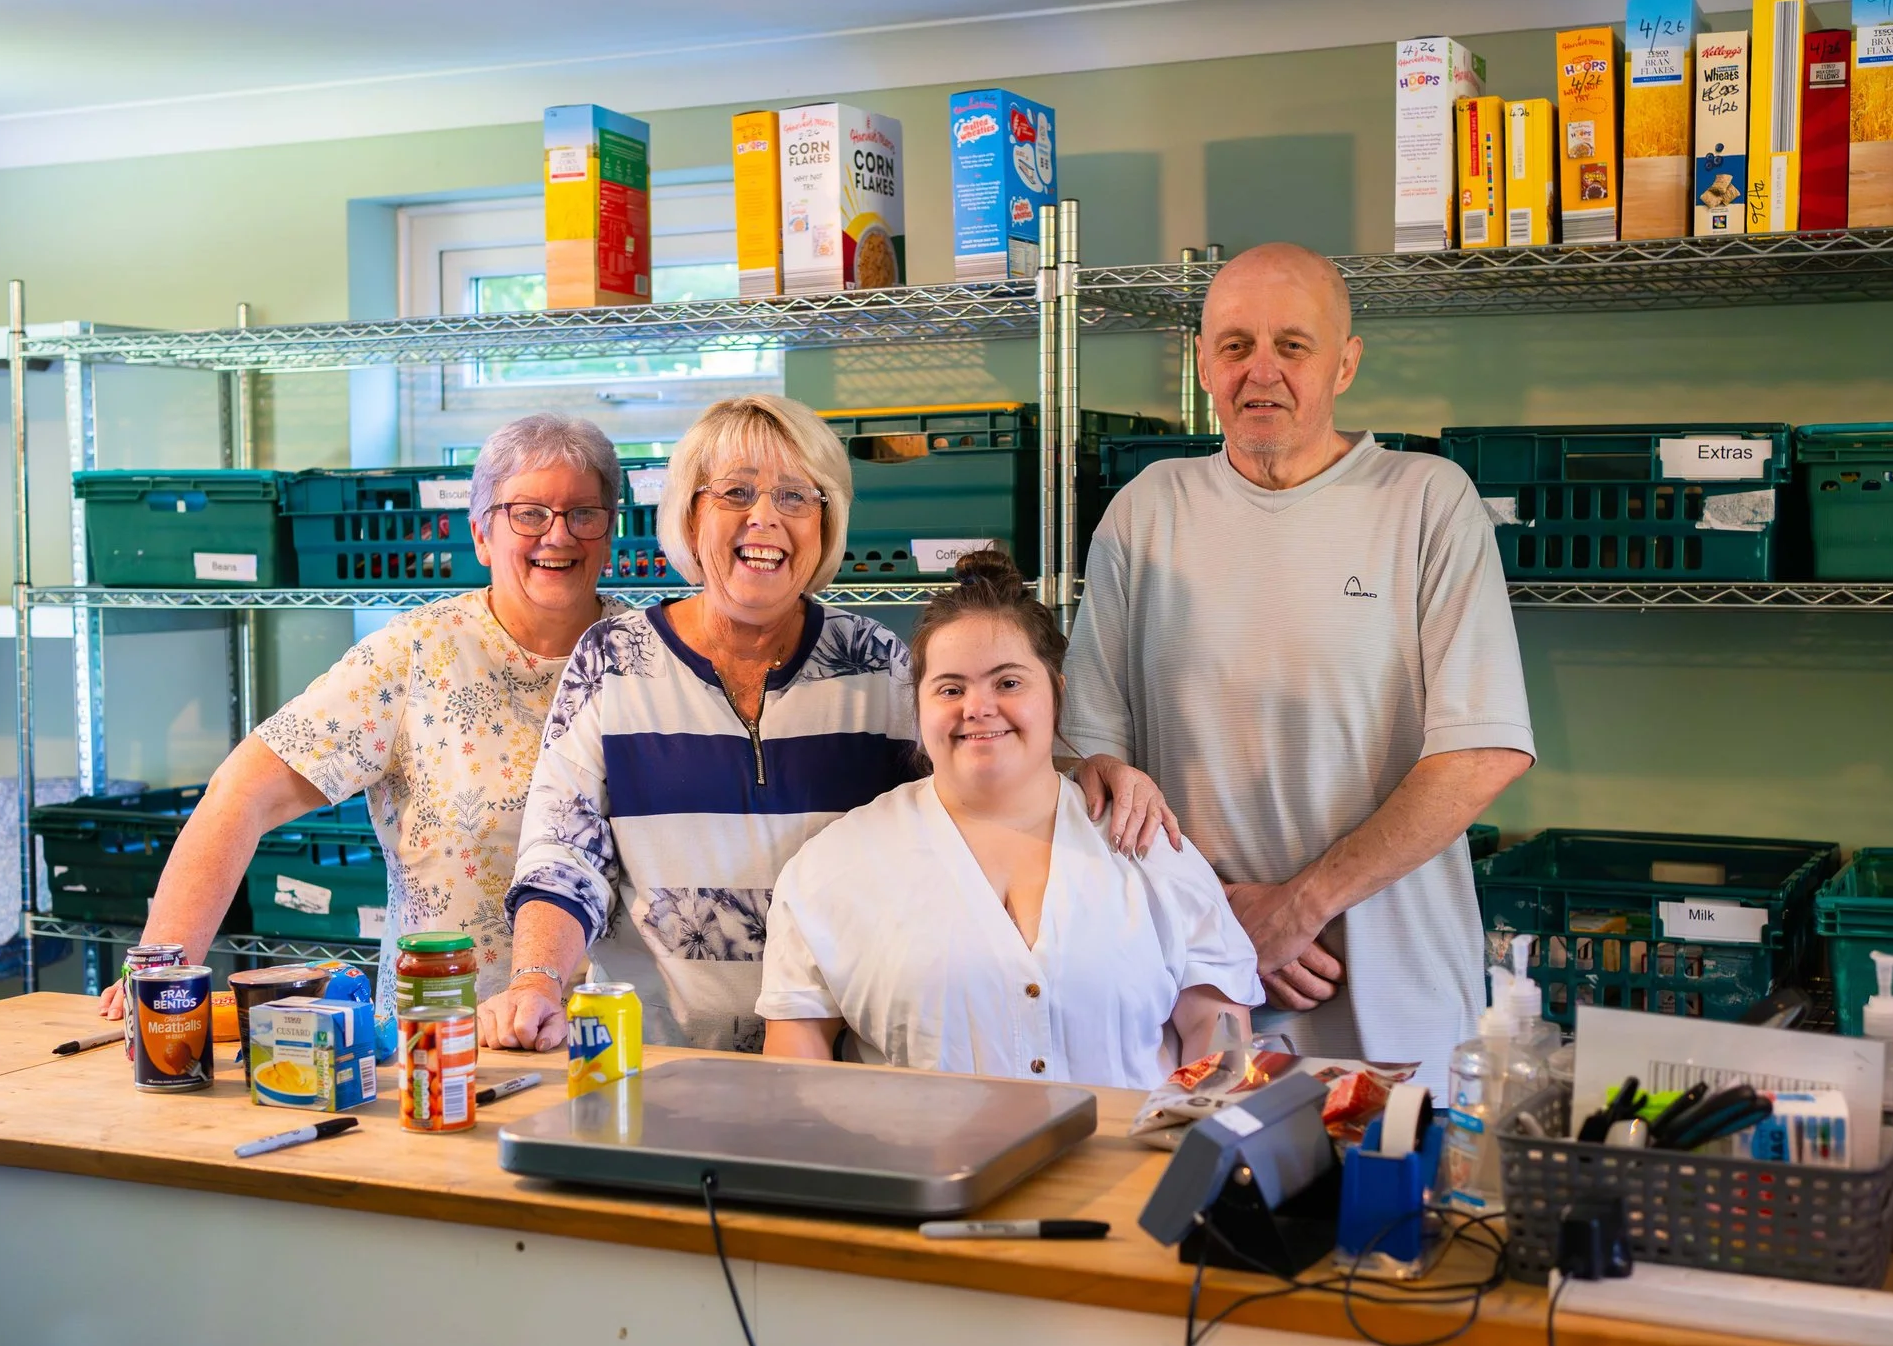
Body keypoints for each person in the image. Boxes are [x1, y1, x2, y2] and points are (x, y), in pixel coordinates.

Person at [480, 393, 1179, 1054]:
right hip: (656, 1055)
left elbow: (982, 782)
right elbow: (564, 858)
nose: (765, 517)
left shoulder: (874, 665)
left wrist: (1086, 774)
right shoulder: (613, 662)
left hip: (838, 1053)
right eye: (736, 491)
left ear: (827, 525)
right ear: (691, 519)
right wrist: (537, 979)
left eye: (796, 496)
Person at [1063, 243, 1536, 1086]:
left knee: (1394, 1212)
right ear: (1203, 361)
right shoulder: (1145, 516)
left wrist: (1298, 906)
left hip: (1401, 1002)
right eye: (1235, 345)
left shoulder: (1428, 502)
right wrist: (1219, 916)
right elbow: (1087, 762)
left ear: (1346, 362)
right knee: (1198, 1206)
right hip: (1200, 991)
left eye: (1294, 345)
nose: (1261, 372)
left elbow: (1481, 753)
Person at [98, 412, 626, 1016]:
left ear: (609, 533)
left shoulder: (647, 658)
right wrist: (162, 975)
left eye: (583, 514)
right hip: (440, 1045)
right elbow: (240, 797)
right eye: (528, 513)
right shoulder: (413, 656)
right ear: (481, 533)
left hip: (617, 1032)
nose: (558, 535)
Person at [757, 550, 1260, 1089]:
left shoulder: (1146, 846)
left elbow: (1218, 1029)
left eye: (1008, 683)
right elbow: (795, 1067)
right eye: (950, 689)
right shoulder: (833, 869)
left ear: (1056, 695)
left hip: (1138, 1170)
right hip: (919, 1171)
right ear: (919, 707)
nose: (978, 707)